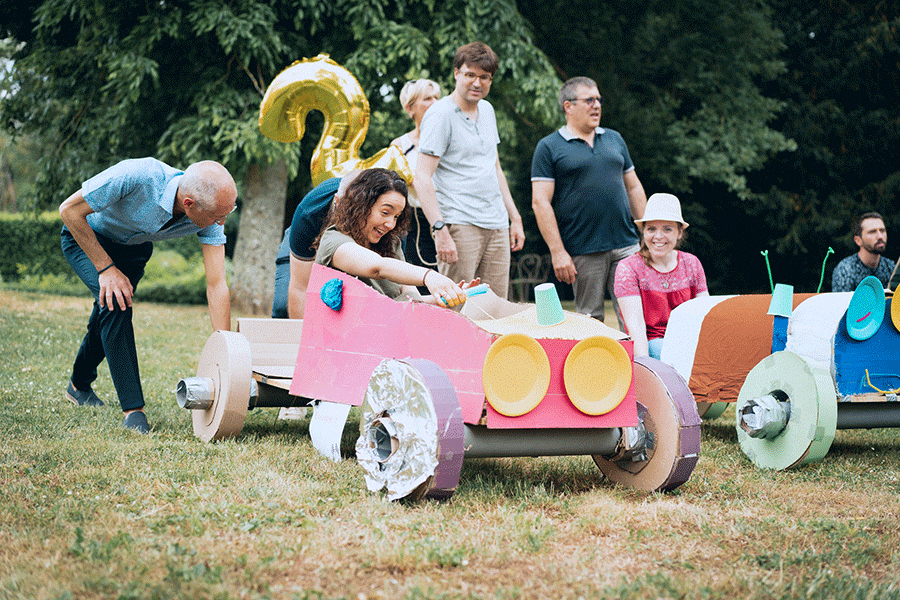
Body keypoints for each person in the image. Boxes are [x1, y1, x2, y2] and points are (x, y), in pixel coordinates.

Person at [59, 158, 237, 433]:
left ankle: (78, 386)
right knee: (115, 304)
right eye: (217, 216)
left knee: (107, 309)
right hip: (87, 238)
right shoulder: (138, 176)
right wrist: (106, 268)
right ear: (189, 203)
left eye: (227, 213)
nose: (221, 222)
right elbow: (69, 211)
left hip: (134, 251)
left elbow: (217, 284)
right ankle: (134, 411)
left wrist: (226, 352)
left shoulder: (208, 214)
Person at [531, 76, 647, 327]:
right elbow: (540, 203)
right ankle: (593, 367)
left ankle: (639, 366)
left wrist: (647, 234)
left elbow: (634, 187)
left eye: (599, 99)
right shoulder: (549, 147)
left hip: (627, 245)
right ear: (568, 106)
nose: (597, 105)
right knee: (589, 321)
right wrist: (558, 252)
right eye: (589, 100)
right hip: (583, 249)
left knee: (635, 317)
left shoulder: (614, 139)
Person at [415, 42, 525, 299]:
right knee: (457, 306)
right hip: (460, 223)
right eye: (470, 75)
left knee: (496, 308)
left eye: (485, 77)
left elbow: (494, 167)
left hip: (496, 224)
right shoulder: (440, 114)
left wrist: (515, 218)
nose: (478, 83)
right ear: (456, 73)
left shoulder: (487, 110)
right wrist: (440, 230)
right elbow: (421, 177)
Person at [314, 168, 469, 307]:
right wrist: (429, 276)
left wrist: (451, 293)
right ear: (360, 206)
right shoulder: (333, 241)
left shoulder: (390, 243)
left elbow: (411, 300)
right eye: (385, 212)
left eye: (396, 216)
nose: (390, 224)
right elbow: (377, 267)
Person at [614, 193, 708, 359]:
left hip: (689, 344)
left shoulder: (691, 263)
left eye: (667, 229)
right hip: (649, 346)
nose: (658, 237)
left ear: (679, 232)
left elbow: (704, 314)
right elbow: (635, 326)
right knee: (660, 346)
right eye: (651, 229)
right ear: (643, 232)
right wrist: (649, 366)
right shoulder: (628, 268)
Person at [390, 79, 442, 270]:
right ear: (410, 108)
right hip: (416, 225)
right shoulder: (400, 146)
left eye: (437, 97)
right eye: (428, 98)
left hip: (454, 217)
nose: (435, 102)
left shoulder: (449, 140)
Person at [832, 212, 895, 292]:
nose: (880, 236)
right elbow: (841, 303)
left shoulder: (891, 267)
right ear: (858, 240)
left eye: (882, 231)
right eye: (872, 232)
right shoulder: (846, 269)